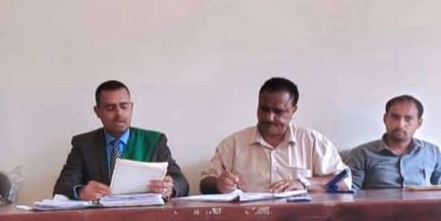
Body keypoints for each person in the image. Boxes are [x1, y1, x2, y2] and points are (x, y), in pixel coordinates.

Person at [200, 77, 349, 193]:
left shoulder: (312, 141)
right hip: (247, 220)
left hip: (302, 220)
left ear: (293, 110)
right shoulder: (233, 144)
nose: (269, 118)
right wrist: (218, 184)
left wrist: (305, 183)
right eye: (264, 109)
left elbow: (344, 181)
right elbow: (205, 182)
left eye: (278, 111)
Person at [53, 80, 189, 200]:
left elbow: (182, 182)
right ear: (97, 111)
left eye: (124, 106)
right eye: (110, 108)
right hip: (99, 218)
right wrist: (81, 192)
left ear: (131, 107)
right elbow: (62, 187)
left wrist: (171, 186)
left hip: (145, 217)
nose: (119, 113)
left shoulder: (154, 141)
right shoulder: (84, 144)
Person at [346, 94, 441, 190]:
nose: (400, 125)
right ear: (385, 119)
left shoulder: (432, 152)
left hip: (423, 207)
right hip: (379, 207)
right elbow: (348, 193)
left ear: (419, 123)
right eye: (395, 117)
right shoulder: (362, 154)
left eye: (408, 119)